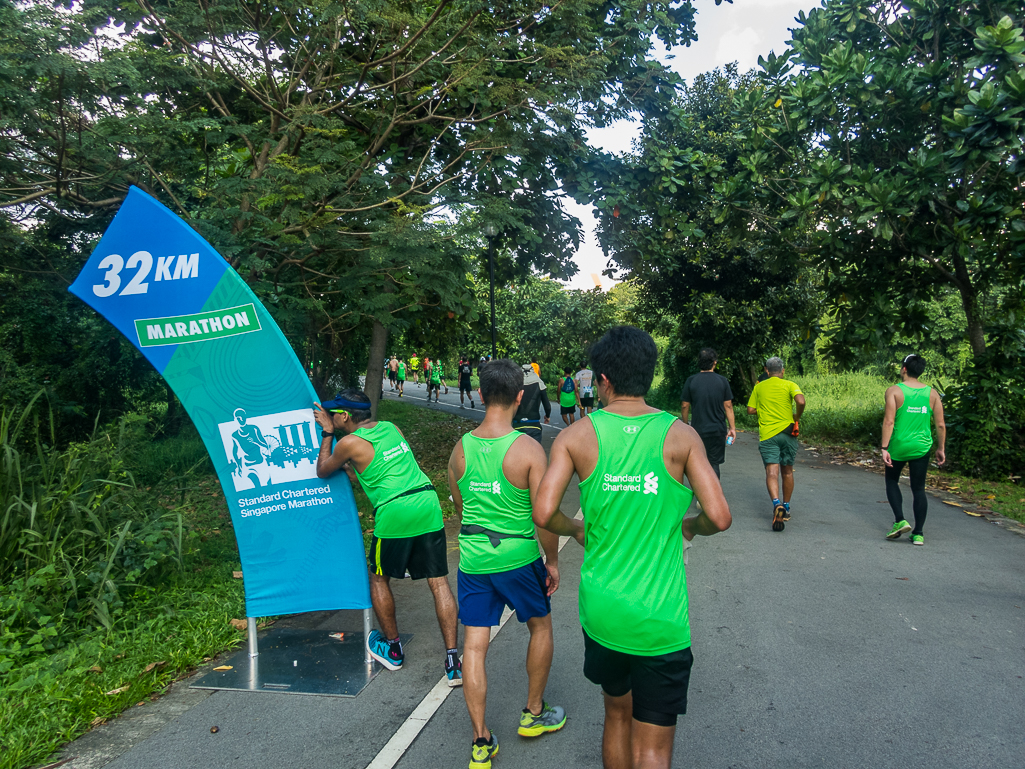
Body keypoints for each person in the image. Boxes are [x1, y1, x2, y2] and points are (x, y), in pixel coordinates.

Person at [533, 326, 732, 769]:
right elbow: (719, 516)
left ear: (602, 380)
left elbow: (544, 513)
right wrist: (691, 526)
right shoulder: (680, 436)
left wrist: (577, 530)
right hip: (660, 618)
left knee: (616, 715)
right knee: (654, 748)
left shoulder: (576, 437)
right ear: (649, 375)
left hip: (604, 611)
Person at [448, 360, 566, 768]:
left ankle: (481, 741)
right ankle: (533, 714)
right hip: (518, 559)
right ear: (520, 396)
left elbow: (463, 509)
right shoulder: (529, 449)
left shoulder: (460, 449)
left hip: (474, 561)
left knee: (474, 645)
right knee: (540, 626)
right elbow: (545, 516)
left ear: (481, 395)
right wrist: (551, 560)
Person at [313, 389, 461, 685]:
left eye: (334, 412)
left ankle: (393, 650)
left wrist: (327, 433)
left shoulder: (348, 442)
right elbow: (376, 471)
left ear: (344, 416)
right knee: (438, 580)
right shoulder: (391, 428)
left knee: (379, 578)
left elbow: (321, 470)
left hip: (395, 511)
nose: (331, 416)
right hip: (426, 501)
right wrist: (352, 469)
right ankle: (453, 661)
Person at [882, 354, 946, 546]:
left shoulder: (894, 391)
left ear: (904, 369)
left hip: (899, 445)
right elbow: (940, 424)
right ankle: (918, 533)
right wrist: (941, 448)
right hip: (922, 446)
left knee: (892, 481)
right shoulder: (932, 393)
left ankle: (900, 520)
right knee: (918, 488)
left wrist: (884, 447)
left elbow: (889, 421)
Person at [746, 356, 805, 532]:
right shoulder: (789, 385)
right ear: (783, 371)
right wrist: (797, 416)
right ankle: (786, 507)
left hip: (768, 435)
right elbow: (800, 401)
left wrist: (763, 407)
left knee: (772, 472)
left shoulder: (759, 387)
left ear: (766, 370)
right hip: (788, 433)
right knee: (787, 471)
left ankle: (776, 503)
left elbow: (750, 410)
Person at [680, 347, 737, 479]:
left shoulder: (691, 380)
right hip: (718, 430)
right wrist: (732, 428)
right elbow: (728, 406)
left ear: (699, 362)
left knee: (697, 463)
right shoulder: (722, 381)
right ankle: (713, 496)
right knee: (714, 463)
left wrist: (685, 423)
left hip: (697, 430)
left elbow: (684, 405)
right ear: (714, 362)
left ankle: (701, 496)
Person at [513, 363, 551, 443]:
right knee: (535, 453)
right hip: (534, 425)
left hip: (517, 425)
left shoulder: (515, 384)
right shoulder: (539, 382)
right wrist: (547, 416)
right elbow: (547, 406)